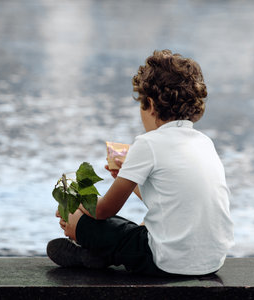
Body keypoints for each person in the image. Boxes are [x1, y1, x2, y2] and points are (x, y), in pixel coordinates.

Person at [47, 49, 234, 276]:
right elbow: (170, 202)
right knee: (141, 227)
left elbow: (104, 210)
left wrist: (75, 208)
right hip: (212, 261)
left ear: (151, 104)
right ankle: (95, 256)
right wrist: (131, 179)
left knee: (84, 222)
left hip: (165, 263)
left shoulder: (148, 144)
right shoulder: (204, 143)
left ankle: (91, 252)